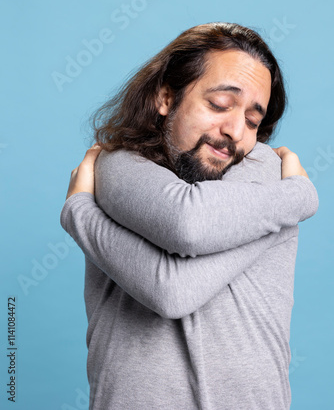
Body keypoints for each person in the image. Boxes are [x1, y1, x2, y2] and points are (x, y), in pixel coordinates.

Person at [60, 22, 319, 410]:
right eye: (219, 105)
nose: (235, 130)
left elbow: (177, 265)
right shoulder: (116, 165)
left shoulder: (263, 167)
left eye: (253, 120)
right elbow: (181, 253)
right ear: (166, 98)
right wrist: (300, 194)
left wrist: (79, 210)